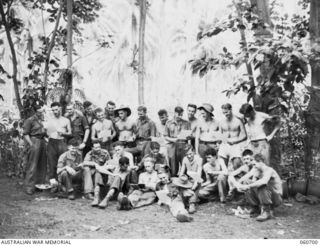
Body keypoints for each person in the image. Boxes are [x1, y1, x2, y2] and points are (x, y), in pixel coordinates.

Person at [236, 154, 283, 222]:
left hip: (276, 198)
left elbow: (263, 181)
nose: (254, 166)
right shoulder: (258, 170)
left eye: (255, 164)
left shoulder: (269, 170)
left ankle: (267, 211)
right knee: (247, 182)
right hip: (268, 195)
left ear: (260, 162)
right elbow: (248, 180)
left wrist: (248, 186)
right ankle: (255, 209)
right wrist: (240, 186)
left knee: (261, 185)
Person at [46, 102, 71, 192]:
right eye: (53, 110)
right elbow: (46, 132)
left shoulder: (66, 120)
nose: (55, 112)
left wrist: (63, 133)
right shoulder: (49, 120)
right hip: (51, 142)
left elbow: (70, 133)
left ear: (60, 108)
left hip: (62, 142)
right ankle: (54, 186)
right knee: (52, 164)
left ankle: (63, 185)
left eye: (56, 109)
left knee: (62, 163)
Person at [23, 105, 47, 195]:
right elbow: (26, 134)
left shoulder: (42, 120)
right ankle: (29, 186)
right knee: (33, 164)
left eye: (42, 111)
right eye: (39, 112)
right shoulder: (30, 120)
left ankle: (39, 185)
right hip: (34, 140)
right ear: (35, 111)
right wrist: (31, 144)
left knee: (42, 164)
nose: (41, 113)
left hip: (42, 141)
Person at [218, 103, 247, 170]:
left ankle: (237, 179)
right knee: (222, 166)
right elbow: (220, 135)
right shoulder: (221, 122)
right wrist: (219, 142)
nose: (225, 114)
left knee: (236, 165)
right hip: (224, 145)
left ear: (231, 110)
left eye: (227, 112)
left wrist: (235, 141)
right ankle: (224, 180)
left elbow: (244, 135)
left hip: (235, 145)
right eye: (223, 113)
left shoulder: (238, 121)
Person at [164, 106, 191, 177]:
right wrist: (173, 139)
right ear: (175, 113)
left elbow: (189, 136)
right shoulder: (169, 122)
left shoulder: (187, 123)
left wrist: (188, 138)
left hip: (183, 145)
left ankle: (184, 179)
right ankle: (173, 178)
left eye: (181, 114)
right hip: (172, 145)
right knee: (173, 165)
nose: (180, 116)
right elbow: (165, 136)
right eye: (178, 114)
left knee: (185, 162)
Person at [179, 144, 202, 213]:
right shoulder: (185, 159)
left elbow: (199, 173)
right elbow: (181, 172)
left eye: (190, 154)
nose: (189, 156)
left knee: (196, 185)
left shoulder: (199, 159)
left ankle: (192, 203)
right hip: (188, 180)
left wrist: (195, 183)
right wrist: (181, 178)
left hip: (196, 179)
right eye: (187, 154)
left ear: (194, 152)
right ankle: (183, 202)